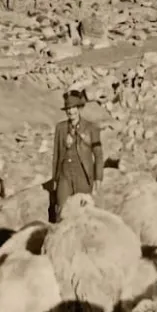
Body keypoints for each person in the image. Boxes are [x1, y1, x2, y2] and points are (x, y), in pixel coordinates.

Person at [51, 89, 104, 220]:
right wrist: (55, 179)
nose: (71, 111)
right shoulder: (60, 128)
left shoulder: (92, 128)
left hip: (83, 176)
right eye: (68, 108)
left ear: (79, 108)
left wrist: (98, 178)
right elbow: (56, 155)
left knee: (84, 214)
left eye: (73, 107)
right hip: (65, 175)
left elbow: (98, 155)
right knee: (61, 212)